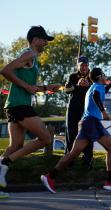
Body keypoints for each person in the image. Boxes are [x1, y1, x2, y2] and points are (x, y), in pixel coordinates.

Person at [41, 68, 111, 193]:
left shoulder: (94, 86)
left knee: (73, 153)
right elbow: (97, 96)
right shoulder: (97, 88)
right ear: (100, 76)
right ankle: (110, 181)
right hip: (92, 122)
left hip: (85, 122)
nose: (105, 76)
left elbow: (101, 91)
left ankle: (50, 176)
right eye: (103, 74)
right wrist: (103, 111)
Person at [0, 26, 61, 197]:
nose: (46, 43)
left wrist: (46, 88)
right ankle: (3, 163)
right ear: (35, 40)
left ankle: (2, 168)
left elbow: (31, 88)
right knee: (46, 138)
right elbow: (5, 71)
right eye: (44, 40)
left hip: (15, 104)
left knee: (15, 146)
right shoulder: (29, 55)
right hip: (19, 105)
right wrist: (26, 86)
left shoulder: (33, 58)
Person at [64, 56, 111, 168]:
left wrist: (110, 84)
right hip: (74, 109)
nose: (84, 67)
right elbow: (66, 90)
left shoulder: (92, 77)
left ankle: (87, 160)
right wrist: (77, 85)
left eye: (86, 65)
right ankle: (69, 162)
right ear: (77, 65)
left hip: (86, 111)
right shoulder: (73, 76)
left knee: (88, 137)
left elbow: (100, 90)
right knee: (71, 134)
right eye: (82, 65)